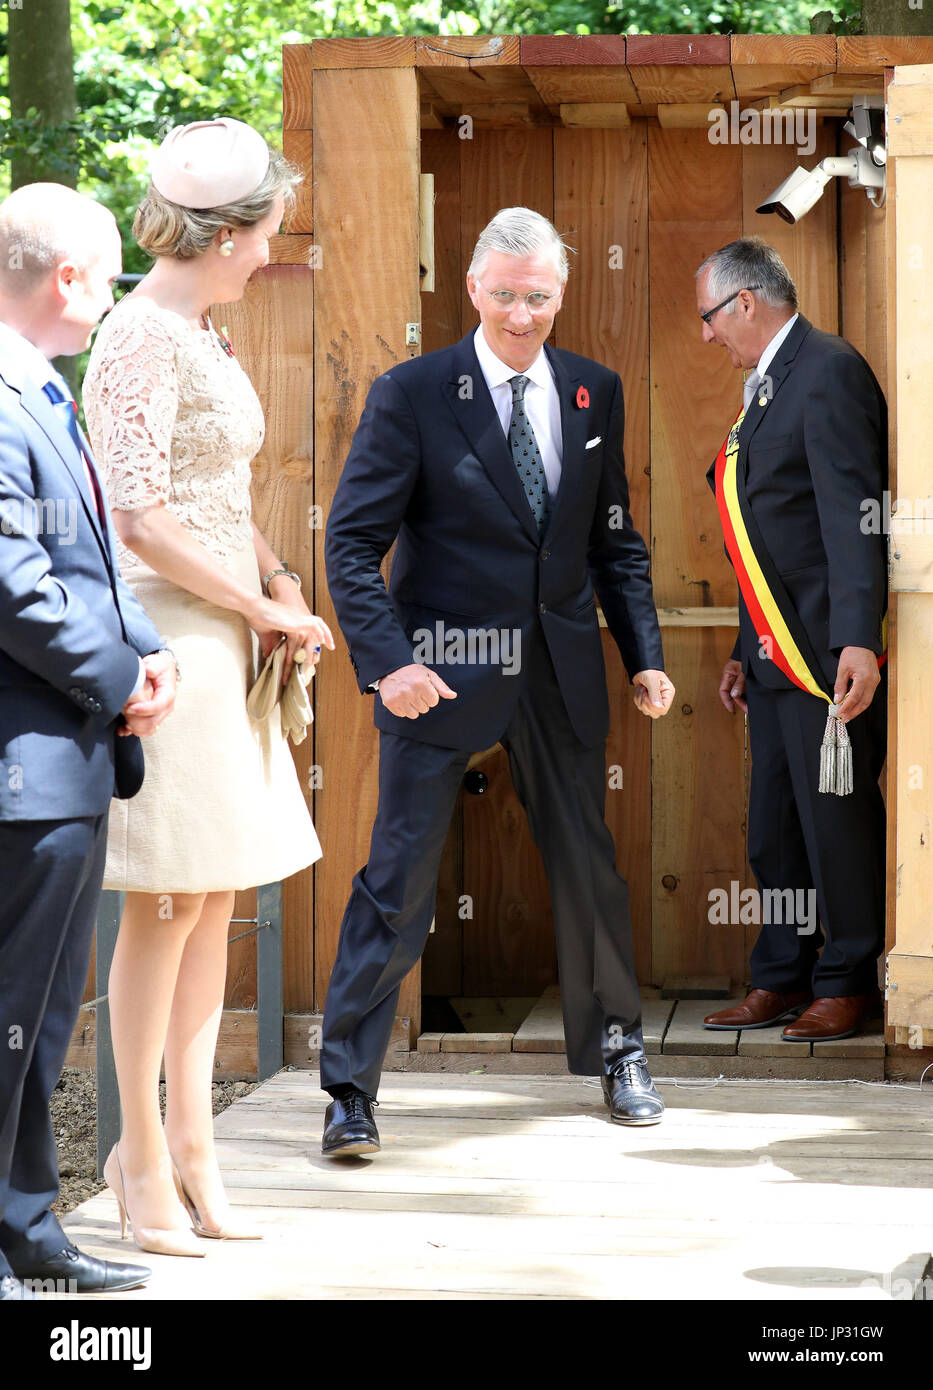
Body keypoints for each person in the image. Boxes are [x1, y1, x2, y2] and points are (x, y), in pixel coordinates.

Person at [321, 205, 675, 1154]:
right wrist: (389, 662)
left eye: (541, 296)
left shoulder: (594, 391)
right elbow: (352, 544)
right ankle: (348, 1090)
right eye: (507, 294)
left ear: (562, 293)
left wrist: (643, 656)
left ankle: (620, 1054)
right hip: (437, 672)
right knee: (398, 876)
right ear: (473, 288)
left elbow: (614, 542)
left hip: (560, 668)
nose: (523, 313)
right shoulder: (413, 392)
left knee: (588, 869)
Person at [82, 119, 333, 1256]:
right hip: (171, 637)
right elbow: (135, 517)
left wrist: (276, 575)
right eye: (269, 231)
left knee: (219, 893)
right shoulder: (138, 335)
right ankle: (136, 1158)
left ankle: (195, 1146)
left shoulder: (205, 332)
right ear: (228, 232)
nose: (273, 249)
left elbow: (217, 495)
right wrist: (255, 606)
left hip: (230, 627)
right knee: (164, 899)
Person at [0, 183, 177, 1299]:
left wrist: (146, 649)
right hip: (24, 767)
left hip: (69, 758)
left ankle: (29, 1227)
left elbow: (88, 562)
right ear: (66, 276)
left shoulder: (44, 393)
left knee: (41, 1015)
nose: (110, 303)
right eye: (107, 280)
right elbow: (11, 586)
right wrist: (118, 678)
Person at [696, 237, 887, 1042]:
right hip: (774, 656)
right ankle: (781, 972)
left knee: (832, 817)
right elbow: (765, 535)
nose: (705, 335)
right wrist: (745, 647)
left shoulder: (827, 368)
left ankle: (846, 979)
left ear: (745, 302)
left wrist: (856, 639)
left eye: (709, 317)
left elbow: (850, 519)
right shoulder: (765, 385)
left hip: (824, 659)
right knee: (773, 825)